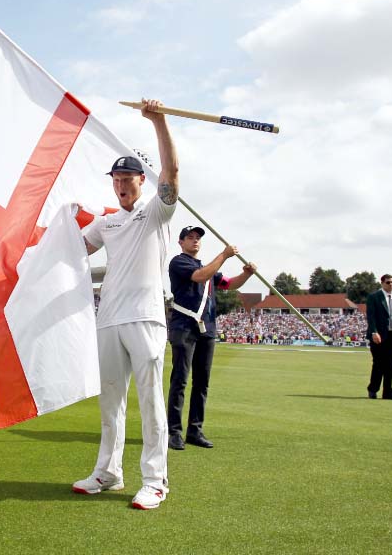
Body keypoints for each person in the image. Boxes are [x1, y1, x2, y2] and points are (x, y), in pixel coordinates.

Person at [71, 99, 178, 511]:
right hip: (109, 317)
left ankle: (155, 480)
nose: (120, 184)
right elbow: (74, 249)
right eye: (115, 178)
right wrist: (58, 221)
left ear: (141, 180)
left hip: (146, 317)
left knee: (150, 400)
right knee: (110, 401)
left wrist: (160, 123)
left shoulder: (156, 212)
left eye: (127, 177)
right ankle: (108, 472)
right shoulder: (109, 221)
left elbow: (171, 174)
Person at [166, 226, 256, 450]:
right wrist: (224, 255)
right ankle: (173, 432)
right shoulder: (179, 262)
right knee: (180, 380)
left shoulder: (207, 268)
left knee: (202, 382)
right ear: (181, 242)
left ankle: (195, 430)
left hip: (206, 328)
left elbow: (229, 284)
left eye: (197, 238)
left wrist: (246, 274)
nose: (195, 241)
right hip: (184, 326)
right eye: (190, 238)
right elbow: (199, 277)